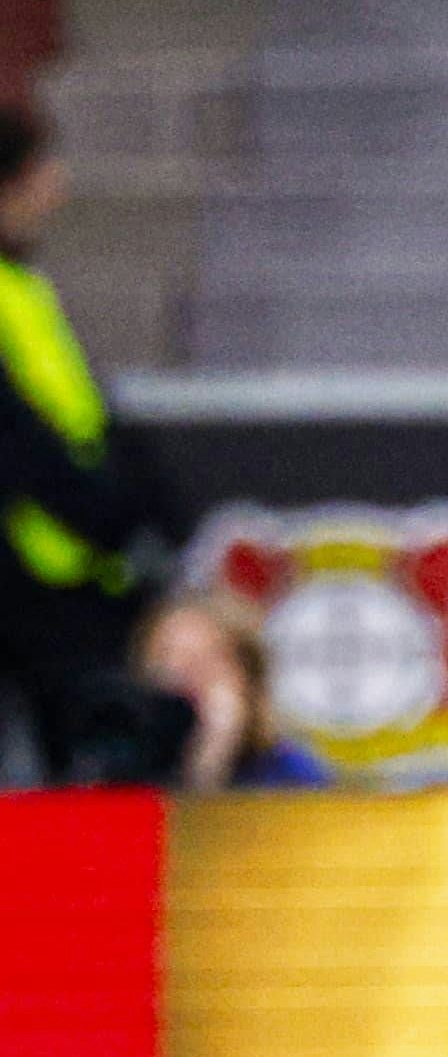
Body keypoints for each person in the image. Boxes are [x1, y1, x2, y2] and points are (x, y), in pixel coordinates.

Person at [0, 104, 189, 785]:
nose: (58, 187)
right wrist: (112, 521)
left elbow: (86, 416)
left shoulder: (24, 287)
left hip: (73, 575)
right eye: (40, 170)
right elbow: (19, 443)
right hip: (34, 580)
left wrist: (151, 514)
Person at [132, 592, 330, 790]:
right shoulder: (126, 760)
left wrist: (214, 752)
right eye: (167, 658)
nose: (183, 678)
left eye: (204, 661)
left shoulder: (292, 774)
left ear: (248, 679)